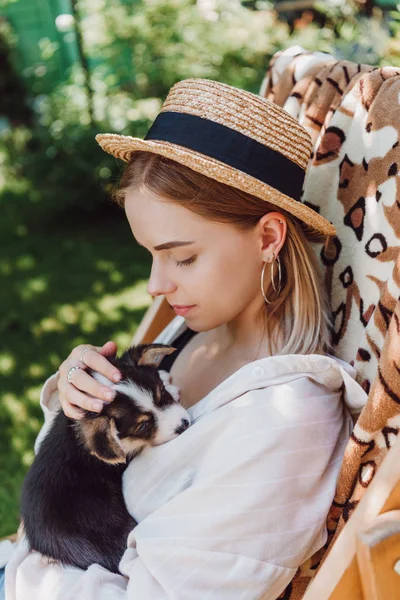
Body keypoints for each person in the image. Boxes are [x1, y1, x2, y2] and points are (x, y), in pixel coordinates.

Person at [2, 78, 367, 600]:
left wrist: (31, 567)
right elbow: (71, 497)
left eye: (183, 257)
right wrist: (76, 410)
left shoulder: (286, 421)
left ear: (268, 238)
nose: (155, 285)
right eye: (150, 253)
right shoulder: (195, 332)